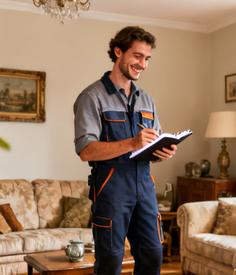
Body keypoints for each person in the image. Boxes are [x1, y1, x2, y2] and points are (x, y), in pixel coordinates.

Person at [73, 26, 175, 275]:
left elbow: (149, 142)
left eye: (147, 58)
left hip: (145, 187)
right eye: (137, 56)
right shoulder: (91, 96)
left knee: (153, 255)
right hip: (111, 188)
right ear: (118, 51)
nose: (143, 64)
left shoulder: (146, 99)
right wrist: (132, 142)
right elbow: (86, 150)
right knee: (110, 261)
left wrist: (162, 151)